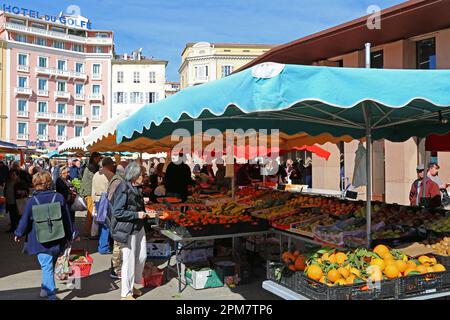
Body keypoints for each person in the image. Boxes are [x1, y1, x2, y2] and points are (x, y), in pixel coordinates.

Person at [14, 171, 77, 300]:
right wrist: (73, 234)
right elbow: (67, 219)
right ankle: (44, 288)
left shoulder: (32, 201)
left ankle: (51, 295)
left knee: (46, 266)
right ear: (49, 183)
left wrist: (18, 233)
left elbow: (25, 220)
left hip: (39, 240)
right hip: (58, 238)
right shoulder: (58, 197)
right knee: (49, 265)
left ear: (35, 184)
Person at [110, 162, 148, 300]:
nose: (144, 177)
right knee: (128, 260)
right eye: (142, 175)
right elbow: (118, 212)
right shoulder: (123, 187)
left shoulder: (136, 187)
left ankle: (132, 286)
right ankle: (125, 294)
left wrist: (143, 208)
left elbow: (135, 205)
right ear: (134, 176)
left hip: (138, 226)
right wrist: (136, 215)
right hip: (127, 229)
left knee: (142, 256)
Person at [92, 157, 116, 255]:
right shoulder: (108, 175)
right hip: (105, 200)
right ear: (109, 165)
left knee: (103, 223)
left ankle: (103, 245)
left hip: (98, 200)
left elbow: (93, 188)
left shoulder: (96, 174)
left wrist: (94, 201)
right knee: (106, 224)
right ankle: (103, 247)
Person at [108, 166, 126, 279]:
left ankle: (116, 268)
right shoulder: (119, 182)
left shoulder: (116, 180)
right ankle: (115, 270)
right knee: (118, 245)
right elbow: (112, 199)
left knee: (118, 245)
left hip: (115, 215)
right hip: (117, 217)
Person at [80, 152, 102, 235]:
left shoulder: (91, 166)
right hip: (89, 192)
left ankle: (89, 231)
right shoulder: (91, 167)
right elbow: (96, 178)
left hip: (89, 191)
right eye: (99, 158)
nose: (100, 160)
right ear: (95, 158)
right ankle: (87, 232)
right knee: (90, 213)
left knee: (91, 212)